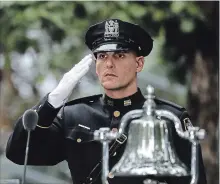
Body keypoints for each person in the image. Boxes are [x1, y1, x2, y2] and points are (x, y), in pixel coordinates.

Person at [6, 19, 207, 184]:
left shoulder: (169, 119)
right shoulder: (74, 115)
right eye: (102, 56)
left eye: (119, 55)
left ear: (139, 63)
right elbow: (18, 152)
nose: (109, 64)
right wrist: (52, 101)